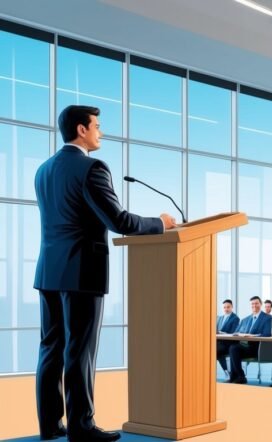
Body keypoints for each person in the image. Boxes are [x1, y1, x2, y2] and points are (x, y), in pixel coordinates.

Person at [34, 105, 175, 442]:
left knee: (51, 348)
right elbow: (120, 221)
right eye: (97, 126)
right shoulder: (92, 167)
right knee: (79, 351)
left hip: (49, 271)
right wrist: (161, 223)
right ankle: (82, 428)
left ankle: (50, 425)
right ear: (81, 130)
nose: (101, 132)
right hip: (82, 271)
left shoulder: (43, 170)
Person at [228, 296, 272, 384]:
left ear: (261, 304)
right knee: (232, 347)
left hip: (258, 348)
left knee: (233, 349)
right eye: (252, 304)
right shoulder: (246, 319)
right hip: (245, 346)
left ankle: (239, 376)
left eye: (256, 303)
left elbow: (267, 334)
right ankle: (236, 376)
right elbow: (236, 331)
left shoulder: (267, 318)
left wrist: (252, 335)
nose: (254, 305)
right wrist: (239, 334)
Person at [215, 299, 241, 374]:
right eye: (224, 307)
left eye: (228, 307)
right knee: (215, 351)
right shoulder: (219, 318)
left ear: (232, 307)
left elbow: (233, 333)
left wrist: (221, 333)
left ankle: (227, 371)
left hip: (227, 343)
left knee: (214, 351)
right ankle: (226, 371)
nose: (226, 309)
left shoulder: (235, 318)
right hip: (218, 342)